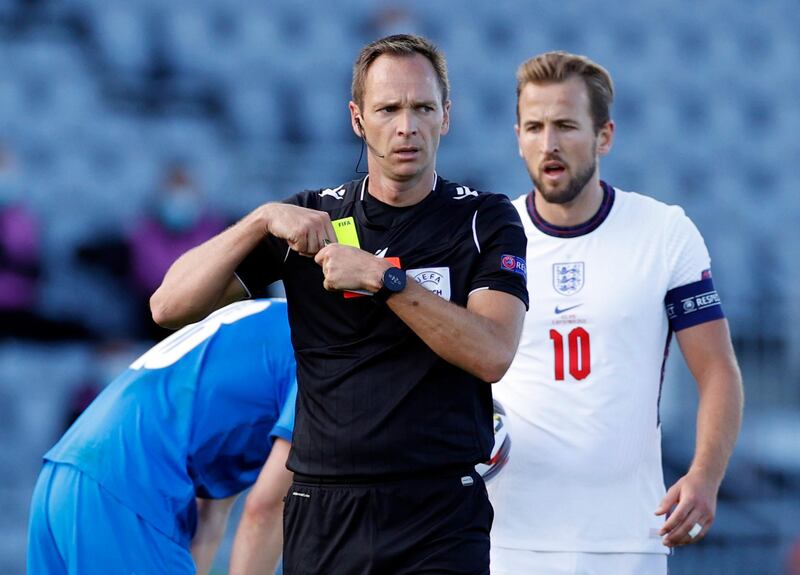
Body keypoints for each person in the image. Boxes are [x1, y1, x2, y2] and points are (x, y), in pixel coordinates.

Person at [150, 34, 529, 575]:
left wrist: (385, 279)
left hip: (440, 513)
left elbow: (492, 352)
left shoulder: (485, 219)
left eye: (423, 107)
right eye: (388, 109)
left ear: (447, 116)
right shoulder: (309, 220)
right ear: (357, 119)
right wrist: (262, 218)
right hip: (324, 510)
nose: (407, 126)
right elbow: (168, 307)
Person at [487, 51, 745, 575]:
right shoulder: (490, 235)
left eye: (565, 125)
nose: (549, 143)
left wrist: (705, 476)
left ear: (605, 136)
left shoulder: (664, 232)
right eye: (534, 127)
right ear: (517, 136)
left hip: (629, 538)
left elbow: (718, 370)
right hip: (506, 539)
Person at [28, 298, 297, 575]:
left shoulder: (271, 317)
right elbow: (265, 508)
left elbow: (211, 508)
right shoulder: (326, 353)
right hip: (130, 493)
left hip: (64, 475)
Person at [77, 161, 228, 340]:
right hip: (155, 319)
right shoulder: (142, 233)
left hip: (208, 316)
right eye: (174, 190)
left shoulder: (218, 231)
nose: (180, 199)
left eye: (185, 190)